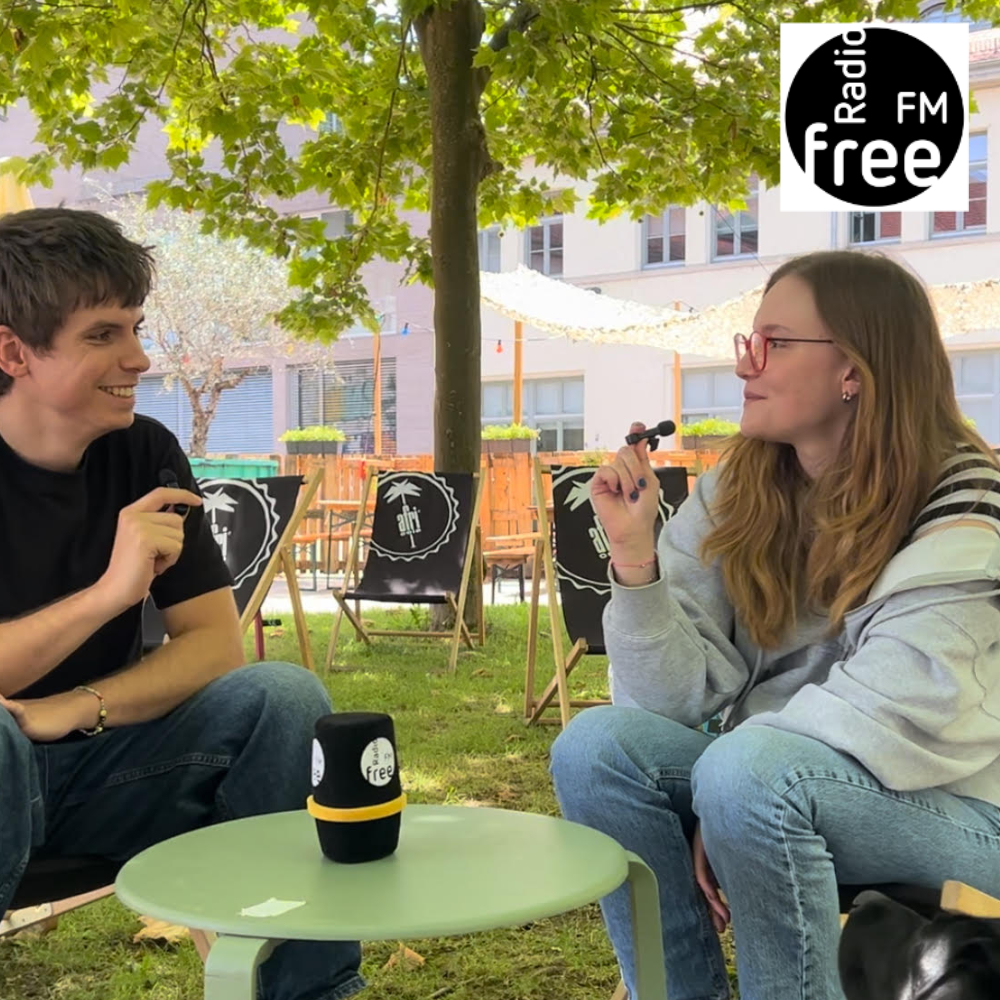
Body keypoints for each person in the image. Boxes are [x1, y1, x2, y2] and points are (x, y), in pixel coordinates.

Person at [550, 249, 1000, 1000]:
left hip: (957, 807)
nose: (744, 365)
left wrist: (737, 777)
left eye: (775, 343)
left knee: (746, 773)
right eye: (748, 341)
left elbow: (909, 701)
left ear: (854, 368)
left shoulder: (962, 493)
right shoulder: (743, 485)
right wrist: (634, 561)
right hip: (775, 774)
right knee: (594, 747)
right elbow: (671, 699)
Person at [0, 208, 364, 1000]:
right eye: (103, 335)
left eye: (135, 327)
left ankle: (309, 992)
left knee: (280, 696)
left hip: (100, 766)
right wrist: (108, 596)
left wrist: (78, 706)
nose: (138, 357)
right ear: (13, 352)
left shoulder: (146, 452)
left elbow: (213, 647)